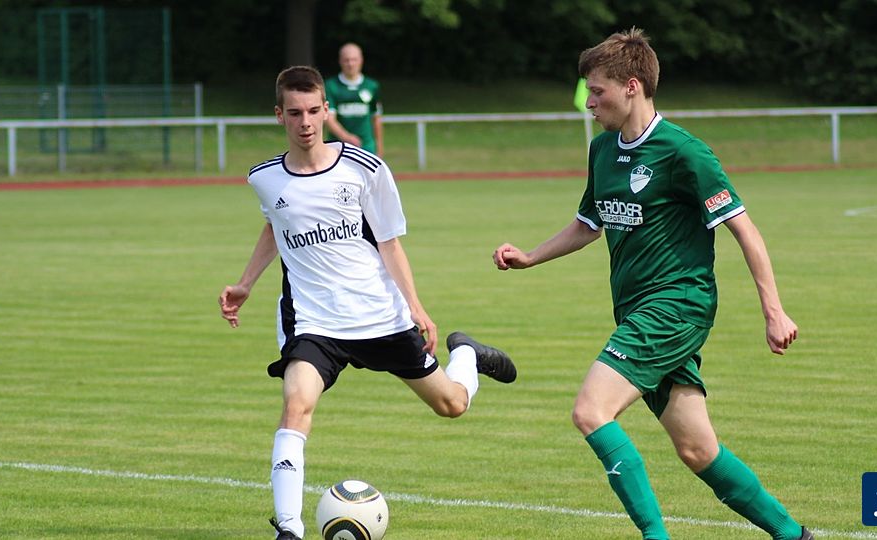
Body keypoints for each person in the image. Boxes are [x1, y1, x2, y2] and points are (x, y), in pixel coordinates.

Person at [492, 29, 812, 540]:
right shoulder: (602, 150)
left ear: (632, 86)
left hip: (675, 307)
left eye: (597, 91)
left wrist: (774, 311)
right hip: (638, 310)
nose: (589, 102)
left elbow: (744, 230)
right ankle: (795, 535)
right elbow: (588, 224)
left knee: (590, 411)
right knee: (698, 450)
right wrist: (531, 257)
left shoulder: (684, 152)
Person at [218, 66, 516, 540]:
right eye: (294, 113)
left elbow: (390, 242)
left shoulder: (365, 168)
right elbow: (276, 223)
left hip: (379, 314)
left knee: (452, 404)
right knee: (296, 406)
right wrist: (246, 283)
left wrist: (416, 306)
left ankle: (466, 355)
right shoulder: (265, 178)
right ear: (279, 115)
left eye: (313, 111)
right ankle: (288, 529)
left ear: (326, 110)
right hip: (313, 322)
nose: (305, 122)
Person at [324, 42, 384, 156]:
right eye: (346, 60)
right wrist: (346, 137)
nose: (350, 64)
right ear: (340, 61)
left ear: (361, 60)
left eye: (354, 60)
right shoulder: (331, 86)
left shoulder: (372, 86)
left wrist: (379, 147)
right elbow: (329, 119)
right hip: (338, 147)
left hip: (366, 147)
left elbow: (376, 118)